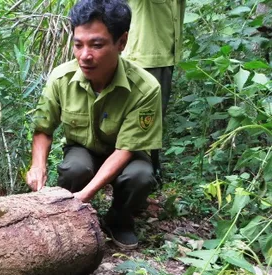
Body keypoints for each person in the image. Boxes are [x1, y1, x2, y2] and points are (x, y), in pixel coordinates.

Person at [26, 0, 162, 249]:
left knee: (141, 175)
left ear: (121, 42)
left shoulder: (145, 88)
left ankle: (118, 220)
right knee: (74, 169)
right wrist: (38, 166)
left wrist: (85, 195)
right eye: (78, 45)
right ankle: (68, 219)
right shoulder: (61, 78)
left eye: (96, 45)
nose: (84, 55)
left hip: (125, 155)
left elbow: (126, 149)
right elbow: (43, 129)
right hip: (83, 149)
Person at [122, 0, 186, 180]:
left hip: (166, 56)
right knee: (143, 119)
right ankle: (136, 175)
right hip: (143, 58)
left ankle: (150, 169)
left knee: (155, 118)